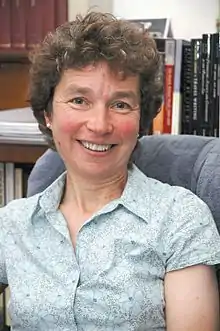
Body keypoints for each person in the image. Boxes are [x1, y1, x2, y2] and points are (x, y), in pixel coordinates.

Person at [0, 12, 220, 331]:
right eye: (79, 100)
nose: (100, 125)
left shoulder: (180, 219)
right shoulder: (12, 224)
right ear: (47, 113)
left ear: (141, 119)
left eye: (120, 105)